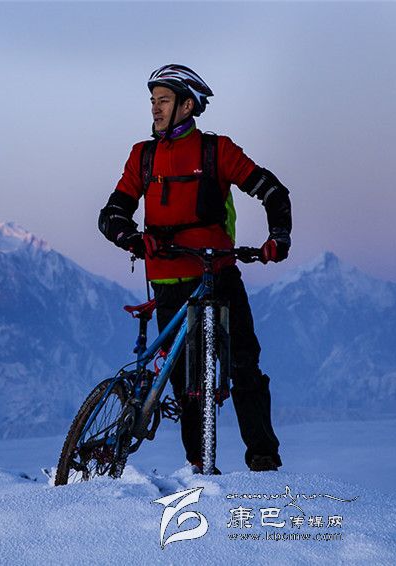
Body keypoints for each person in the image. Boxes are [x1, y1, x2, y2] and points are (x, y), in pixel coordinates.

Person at [98, 64, 292, 472]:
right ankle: (198, 465)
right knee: (186, 383)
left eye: (163, 101)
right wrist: (132, 238)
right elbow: (112, 213)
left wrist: (279, 237)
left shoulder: (217, 150)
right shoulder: (143, 155)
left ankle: (263, 458)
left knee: (244, 363)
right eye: (152, 101)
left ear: (188, 105)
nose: (155, 109)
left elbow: (272, 191)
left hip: (217, 271)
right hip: (167, 279)